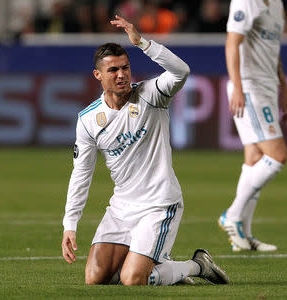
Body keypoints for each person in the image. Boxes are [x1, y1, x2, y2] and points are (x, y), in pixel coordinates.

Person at [61, 15, 229, 286]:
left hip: (159, 204)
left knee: (132, 279)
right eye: (113, 70)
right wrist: (70, 224)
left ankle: (197, 265)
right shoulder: (88, 120)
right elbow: (81, 174)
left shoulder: (152, 95)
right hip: (122, 208)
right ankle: (166, 272)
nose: (121, 75)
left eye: (125, 68)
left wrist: (143, 43)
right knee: (95, 278)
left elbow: (181, 71)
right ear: (98, 75)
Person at [218, 0, 287, 252]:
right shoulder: (246, 1)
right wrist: (238, 87)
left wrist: (283, 85)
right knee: (278, 155)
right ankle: (233, 215)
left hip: (268, 86)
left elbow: (273, 48)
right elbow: (232, 43)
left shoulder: (277, 4)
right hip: (250, 87)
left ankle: (244, 235)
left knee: (255, 156)